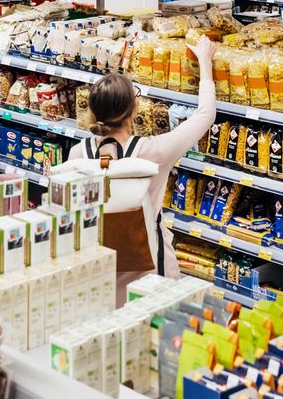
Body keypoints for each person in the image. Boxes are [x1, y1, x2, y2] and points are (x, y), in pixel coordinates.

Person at [66, 36, 217, 300]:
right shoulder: (152, 152)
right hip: (149, 263)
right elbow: (206, 115)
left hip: (98, 264)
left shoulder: (78, 154)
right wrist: (204, 62)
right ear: (134, 111)